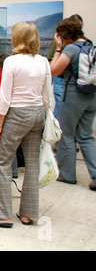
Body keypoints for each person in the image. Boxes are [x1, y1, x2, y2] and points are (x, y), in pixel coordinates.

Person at [0, 22, 49, 228]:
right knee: (32, 163)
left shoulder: (11, 62)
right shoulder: (44, 61)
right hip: (38, 113)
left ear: (17, 38)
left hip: (17, 114)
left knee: (2, 161)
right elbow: (47, 95)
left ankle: (2, 215)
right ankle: (28, 213)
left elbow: (5, 97)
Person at [50, 16, 96, 191]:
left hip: (74, 96)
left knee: (66, 135)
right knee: (86, 136)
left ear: (65, 35)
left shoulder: (71, 49)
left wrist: (59, 49)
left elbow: (54, 70)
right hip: (91, 95)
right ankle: (95, 174)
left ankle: (67, 175)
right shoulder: (89, 45)